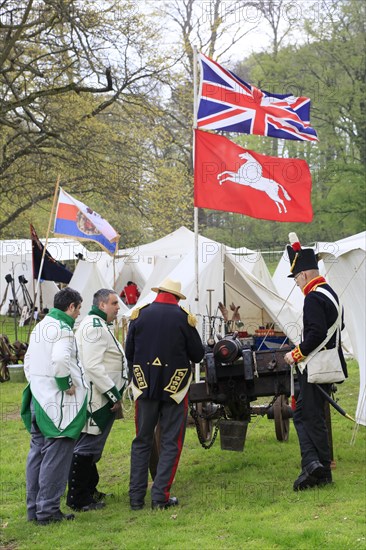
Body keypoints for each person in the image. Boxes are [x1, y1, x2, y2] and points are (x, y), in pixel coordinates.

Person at [125, 277, 204, 511]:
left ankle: (136, 498)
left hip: (144, 386)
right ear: (177, 298)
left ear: (158, 293)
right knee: (171, 442)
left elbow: (129, 352)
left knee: (142, 441)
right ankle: (160, 497)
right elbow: (198, 355)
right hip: (174, 388)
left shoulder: (140, 315)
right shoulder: (184, 318)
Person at [284, 233, 347, 491]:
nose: (297, 284)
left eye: (297, 278)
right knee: (310, 416)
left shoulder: (313, 297)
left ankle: (314, 466)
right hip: (327, 364)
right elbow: (337, 325)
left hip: (315, 366)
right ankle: (318, 467)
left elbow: (316, 334)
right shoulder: (328, 292)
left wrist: (295, 354)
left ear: (306, 275)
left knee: (305, 416)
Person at [21, 288, 87, 525]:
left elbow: (28, 361)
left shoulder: (41, 325)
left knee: (37, 455)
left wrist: (38, 383)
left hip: (38, 400)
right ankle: (47, 510)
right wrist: (64, 383)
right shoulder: (63, 329)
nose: (79, 314)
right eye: (78, 308)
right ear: (71, 307)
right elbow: (60, 360)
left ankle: (34, 509)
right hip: (58, 405)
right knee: (56, 457)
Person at [66, 289, 128, 512]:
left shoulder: (99, 325)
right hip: (98, 398)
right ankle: (77, 498)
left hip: (101, 395)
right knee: (87, 447)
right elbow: (92, 366)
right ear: (101, 305)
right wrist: (113, 394)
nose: (117, 307)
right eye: (113, 303)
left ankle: (89, 489)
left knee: (92, 447)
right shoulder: (93, 327)